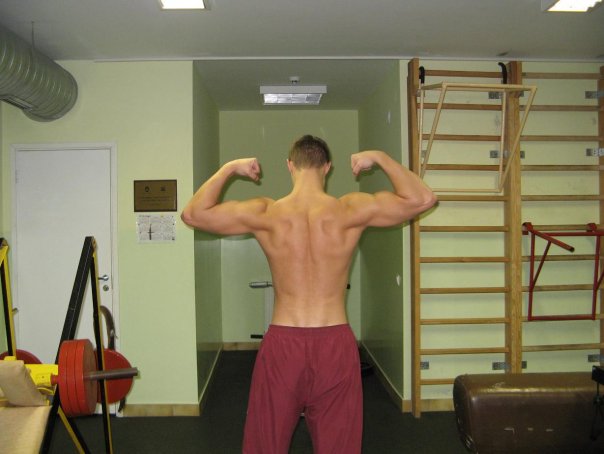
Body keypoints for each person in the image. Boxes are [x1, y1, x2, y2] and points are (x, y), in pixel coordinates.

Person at [181, 135, 437, 454]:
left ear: (290, 166)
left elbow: (193, 214)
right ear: (327, 167)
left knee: (265, 445)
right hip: (335, 344)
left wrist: (230, 168)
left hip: (282, 345)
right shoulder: (349, 210)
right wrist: (380, 157)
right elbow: (422, 199)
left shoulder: (266, 212)